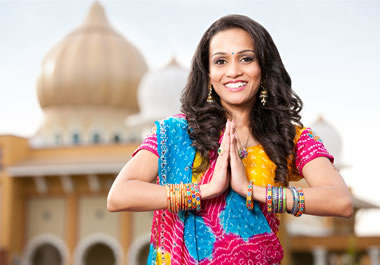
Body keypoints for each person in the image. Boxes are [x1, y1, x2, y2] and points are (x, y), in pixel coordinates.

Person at [107, 14, 352, 265]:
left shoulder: (289, 137)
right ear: (209, 73)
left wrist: (251, 190)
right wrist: (203, 191)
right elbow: (119, 195)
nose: (233, 71)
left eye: (246, 59)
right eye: (221, 61)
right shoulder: (175, 132)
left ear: (263, 67)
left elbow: (340, 201)